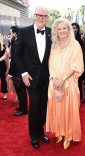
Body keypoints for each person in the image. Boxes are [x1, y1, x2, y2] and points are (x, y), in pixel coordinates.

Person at [14, 6, 52, 148]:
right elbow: (17, 55)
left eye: (44, 16)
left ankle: (41, 131)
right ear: (34, 15)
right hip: (30, 78)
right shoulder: (24, 32)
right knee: (35, 106)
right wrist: (23, 73)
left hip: (46, 77)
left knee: (44, 106)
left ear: (48, 17)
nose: (41, 18)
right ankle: (34, 135)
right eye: (38, 15)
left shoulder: (50, 32)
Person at [46, 17, 84, 150]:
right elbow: (50, 63)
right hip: (55, 83)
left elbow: (75, 66)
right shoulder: (53, 45)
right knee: (57, 109)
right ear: (55, 30)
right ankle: (59, 132)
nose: (61, 31)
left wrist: (62, 79)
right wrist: (54, 78)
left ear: (69, 30)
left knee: (68, 110)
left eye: (64, 28)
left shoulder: (75, 45)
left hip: (69, 84)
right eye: (59, 28)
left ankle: (67, 136)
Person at [8, 26, 27, 115]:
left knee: (21, 90)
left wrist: (10, 73)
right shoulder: (19, 42)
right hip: (21, 70)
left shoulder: (16, 44)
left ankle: (23, 110)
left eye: (11, 32)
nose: (10, 34)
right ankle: (22, 107)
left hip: (17, 71)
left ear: (15, 33)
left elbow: (14, 60)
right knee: (21, 90)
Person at [72, 22, 85, 100]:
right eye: (73, 28)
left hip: (80, 61)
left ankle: (80, 96)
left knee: (80, 79)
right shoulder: (69, 38)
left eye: (76, 27)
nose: (75, 29)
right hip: (71, 62)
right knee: (72, 80)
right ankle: (73, 96)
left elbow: (84, 49)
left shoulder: (82, 37)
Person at [0, 34, 8, 100]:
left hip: (2, 66)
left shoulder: (4, 46)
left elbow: (7, 58)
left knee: (3, 80)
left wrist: (8, 67)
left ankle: (5, 94)